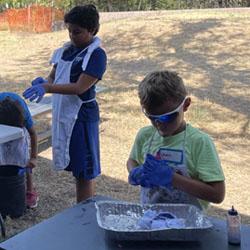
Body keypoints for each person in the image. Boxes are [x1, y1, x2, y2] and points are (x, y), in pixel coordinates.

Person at [22, 5, 107, 203]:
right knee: (74, 164)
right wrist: (43, 82)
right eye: (69, 31)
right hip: (63, 114)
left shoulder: (96, 55)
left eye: (77, 32)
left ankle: (83, 211)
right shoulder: (65, 51)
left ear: (92, 30)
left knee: (85, 170)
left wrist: (48, 89)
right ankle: (82, 209)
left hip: (83, 117)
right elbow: (53, 77)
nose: (72, 36)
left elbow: (80, 87)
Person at [127, 70, 225, 210]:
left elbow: (217, 194)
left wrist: (171, 178)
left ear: (185, 105)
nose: (159, 124)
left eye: (167, 117)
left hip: (187, 223)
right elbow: (132, 160)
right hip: (151, 218)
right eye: (152, 118)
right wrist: (135, 172)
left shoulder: (199, 142)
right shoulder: (145, 135)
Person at [0, 92, 38, 208]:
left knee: (23, 159)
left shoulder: (23, 116)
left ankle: (30, 191)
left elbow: (33, 134)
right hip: (3, 124)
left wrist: (33, 158)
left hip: (18, 128)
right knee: (3, 157)